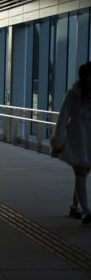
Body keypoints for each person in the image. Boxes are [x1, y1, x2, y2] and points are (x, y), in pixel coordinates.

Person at [50, 62, 91, 225]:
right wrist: (58, 140)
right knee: (80, 173)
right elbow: (63, 116)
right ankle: (87, 211)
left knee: (83, 174)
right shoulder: (73, 94)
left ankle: (75, 206)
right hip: (77, 141)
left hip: (88, 143)